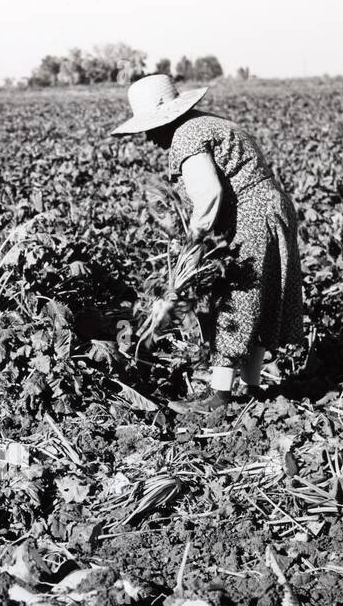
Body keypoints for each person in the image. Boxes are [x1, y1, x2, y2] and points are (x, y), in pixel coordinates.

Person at [111, 74, 304, 413]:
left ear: (164, 121)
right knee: (262, 294)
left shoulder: (186, 136)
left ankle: (219, 398)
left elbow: (209, 194)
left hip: (253, 214)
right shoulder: (207, 123)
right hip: (272, 208)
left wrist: (193, 243)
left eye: (149, 129)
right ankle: (251, 388)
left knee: (238, 296)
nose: (148, 138)